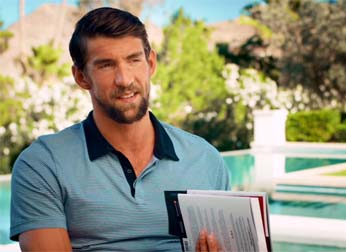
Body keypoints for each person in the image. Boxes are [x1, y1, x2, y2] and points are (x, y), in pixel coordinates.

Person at [10, 7, 230, 251]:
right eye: (106, 65)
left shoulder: (204, 158)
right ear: (81, 77)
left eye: (134, 60)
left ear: (151, 64)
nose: (124, 79)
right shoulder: (43, 164)